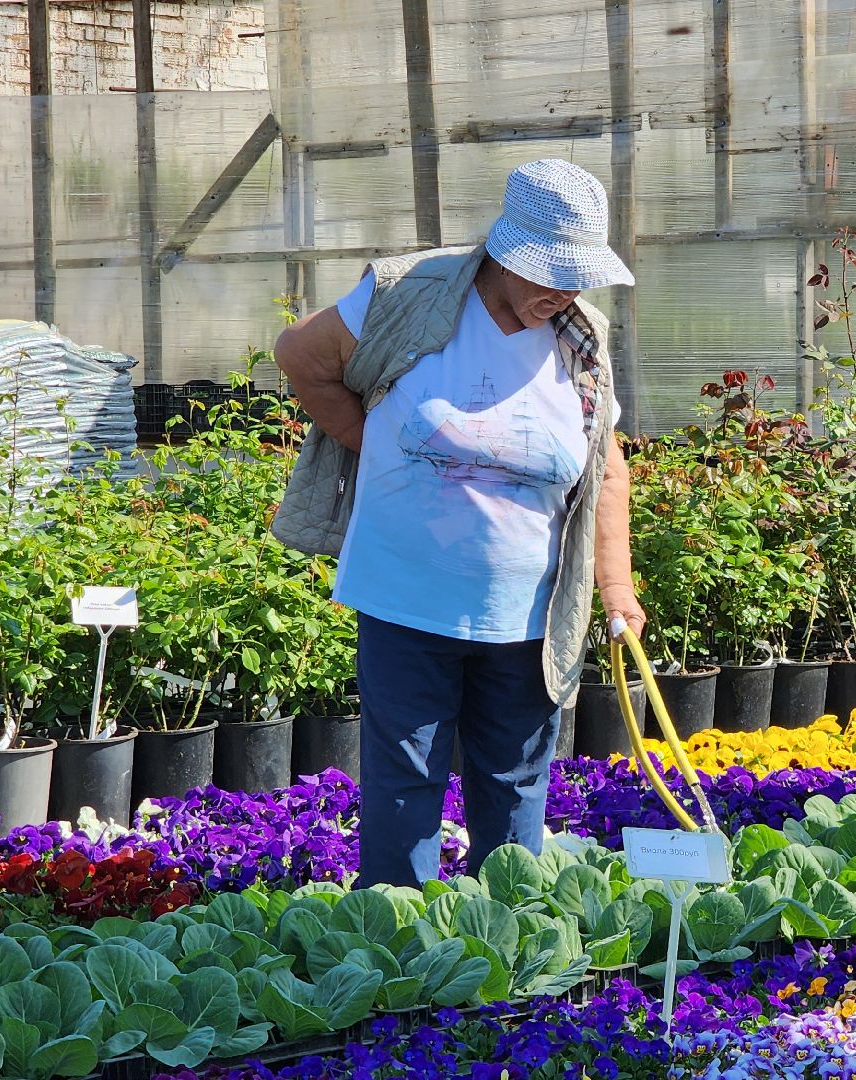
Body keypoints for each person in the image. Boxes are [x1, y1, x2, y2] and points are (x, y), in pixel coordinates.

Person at [270, 159, 646, 886]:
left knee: (514, 783)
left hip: (527, 614)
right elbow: (299, 356)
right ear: (504, 252)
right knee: (405, 782)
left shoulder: (580, 336)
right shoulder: (408, 294)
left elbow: (606, 469)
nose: (564, 292)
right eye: (550, 274)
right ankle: (400, 931)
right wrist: (367, 439)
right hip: (405, 600)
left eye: (577, 277)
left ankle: (505, 928)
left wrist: (617, 589)